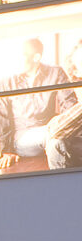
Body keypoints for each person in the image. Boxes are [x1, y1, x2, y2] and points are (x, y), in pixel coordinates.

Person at [0, 38, 65, 170]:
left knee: (57, 140)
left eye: (22, 55)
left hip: (50, 131)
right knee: (51, 135)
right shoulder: (5, 83)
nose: (15, 60)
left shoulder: (55, 73)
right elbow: (0, 120)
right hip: (22, 138)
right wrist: (6, 151)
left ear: (36, 57)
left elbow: (69, 104)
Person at [43, 41, 82, 170]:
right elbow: (54, 131)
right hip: (77, 142)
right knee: (55, 144)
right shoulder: (76, 87)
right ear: (75, 69)